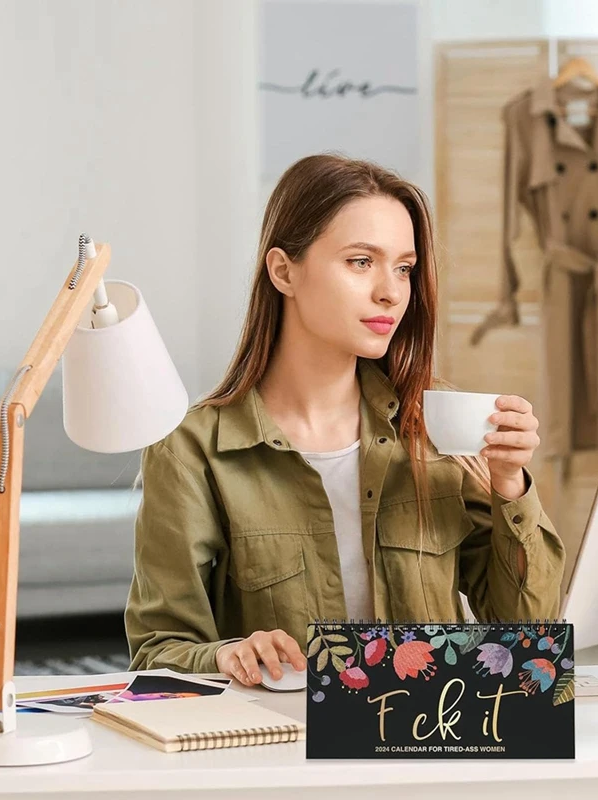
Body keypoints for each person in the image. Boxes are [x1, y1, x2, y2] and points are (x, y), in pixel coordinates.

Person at [125, 154, 565, 687]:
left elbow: (527, 633)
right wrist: (230, 654)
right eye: (361, 261)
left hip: (430, 741)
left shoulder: (435, 424)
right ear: (284, 271)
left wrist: (510, 483)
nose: (392, 291)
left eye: (403, 267)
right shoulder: (193, 449)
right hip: (286, 754)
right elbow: (158, 652)